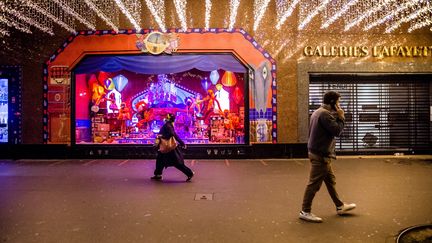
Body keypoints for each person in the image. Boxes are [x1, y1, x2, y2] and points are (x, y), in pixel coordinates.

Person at [299, 91, 356, 223]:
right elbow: (337, 131)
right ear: (333, 103)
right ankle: (305, 211)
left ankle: (340, 205)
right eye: (338, 102)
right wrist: (341, 117)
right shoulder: (325, 114)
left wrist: (336, 115)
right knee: (314, 185)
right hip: (321, 156)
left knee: (330, 182)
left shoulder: (318, 112)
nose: (339, 105)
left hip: (318, 153)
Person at [151, 113, 195, 182]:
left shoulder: (168, 125)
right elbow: (173, 134)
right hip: (165, 147)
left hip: (169, 148)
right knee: (160, 160)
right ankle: (158, 174)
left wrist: (162, 136)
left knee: (177, 163)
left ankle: (189, 173)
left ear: (168, 119)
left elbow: (172, 134)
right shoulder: (169, 125)